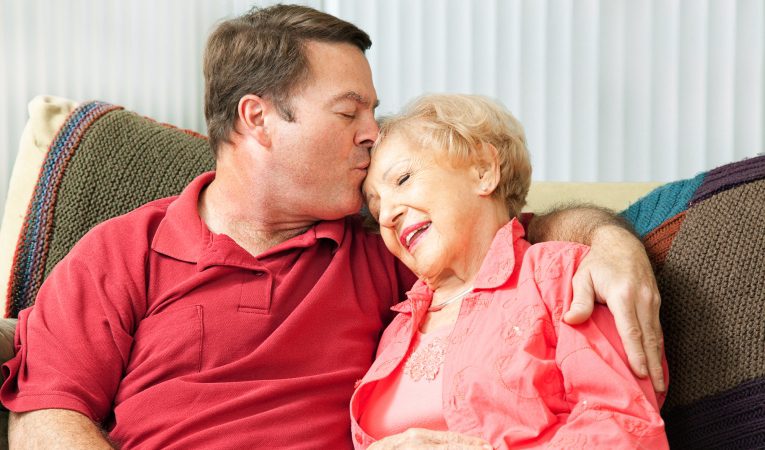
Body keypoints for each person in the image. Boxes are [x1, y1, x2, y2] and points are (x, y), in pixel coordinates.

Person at [0, 4, 663, 449]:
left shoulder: (386, 248)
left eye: (373, 112)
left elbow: (511, 239)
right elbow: (46, 416)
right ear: (258, 119)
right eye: (350, 113)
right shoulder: (121, 251)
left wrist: (608, 239)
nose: (374, 133)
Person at [351, 94, 668, 449]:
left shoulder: (559, 278)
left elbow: (628, 430)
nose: (387, 215)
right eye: (376, 207)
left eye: (403, 178)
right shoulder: (395, 330)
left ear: (483, 171)